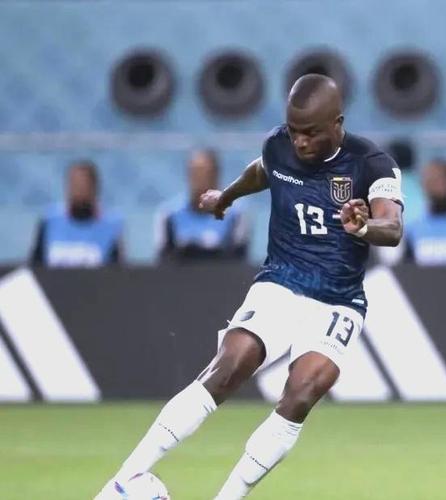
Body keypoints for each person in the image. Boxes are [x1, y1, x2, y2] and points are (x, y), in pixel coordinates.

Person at [97, 74, 404, 500]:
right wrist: (226, 196)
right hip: (281, 281)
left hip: (339, 299)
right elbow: (262, 171)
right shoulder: (279, 145)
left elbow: (393, 227)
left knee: (304, 390)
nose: (300, 142)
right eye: (294, 131)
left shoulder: (372, 163)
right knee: (229, 365)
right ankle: (118, 484)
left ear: (337, 123)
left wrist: (365, 226)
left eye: (311, 132)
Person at [156, 149, 249, 262]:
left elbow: (239, 260)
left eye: (205, 173)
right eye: (195, 172)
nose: (200, 179)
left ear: (216, 175)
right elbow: (163, 260)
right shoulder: (170, 214)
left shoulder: (235, 214)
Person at [30, 160, 123, 267]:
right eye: (74, 184)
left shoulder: (110, 226)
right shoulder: (50, 221)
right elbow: (35, 265)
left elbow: (117, 271)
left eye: (82, 185)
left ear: (94, 189)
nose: (77, 191)